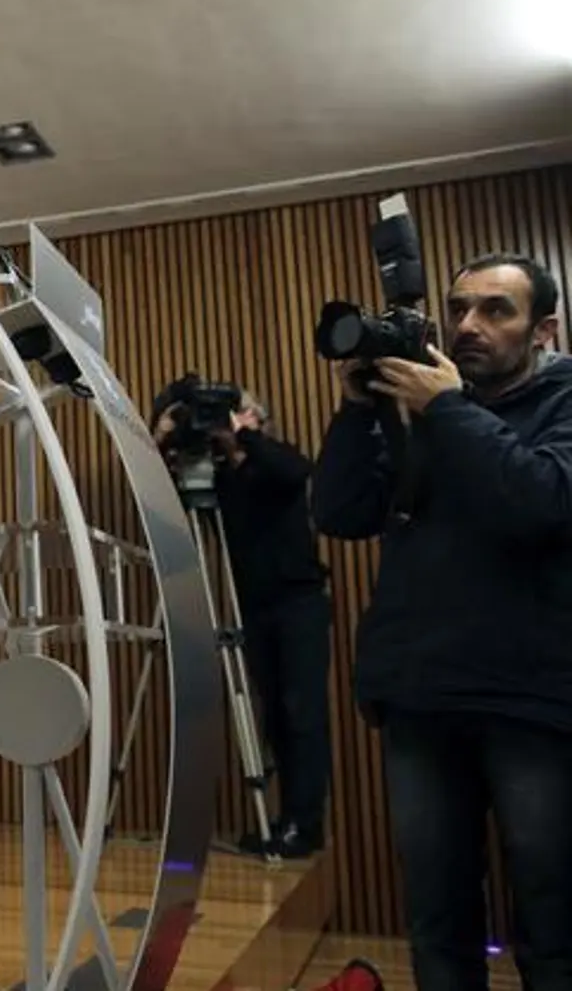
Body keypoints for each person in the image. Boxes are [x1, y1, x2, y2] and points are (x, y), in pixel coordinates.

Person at [312, 253, 572, 990]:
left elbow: (541, 500)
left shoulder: (560, 400)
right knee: (437, 922)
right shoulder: (427, 412)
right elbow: (339, 513)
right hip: (423, 696)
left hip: (534, 700)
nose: (467, 325)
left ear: (544, 329)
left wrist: (448, 409)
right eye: (459, 308)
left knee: (553, 924)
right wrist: (359, 407)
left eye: (496, 310)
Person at [151, 381, 333, 858]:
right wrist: (164, 437)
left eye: (243, 413)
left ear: (260, 422)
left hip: (300, 602)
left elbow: (295, 473)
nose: (231, 421)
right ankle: (286, 817)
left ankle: (306, 823)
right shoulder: (219, 477)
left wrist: (242, 439)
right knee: (274, 713)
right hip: (253, 604)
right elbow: (167, 508)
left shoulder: (275, 459)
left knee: (301, 713)